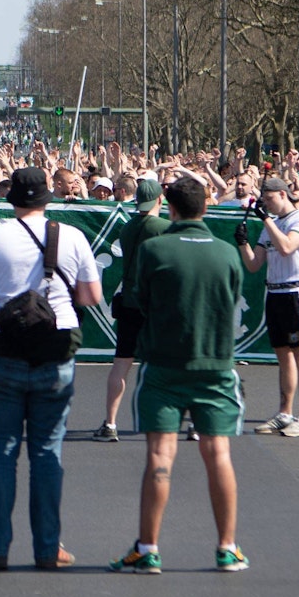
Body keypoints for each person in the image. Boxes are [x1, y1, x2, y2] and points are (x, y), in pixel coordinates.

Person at [0, 166, 101, 571]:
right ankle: (48, 547)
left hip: (1, 351)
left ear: (12, 199)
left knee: (0, 454)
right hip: (54, 353)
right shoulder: (70, 237)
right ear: (48, 198)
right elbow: (91, 296)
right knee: (46, 453)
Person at [109, 177, 249, 575]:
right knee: (218, 453)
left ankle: (147, 548)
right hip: (217, 366)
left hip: (165, 364)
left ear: (169, 207)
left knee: (159, 455)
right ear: (205, 207)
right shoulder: (226, 253)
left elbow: (141, 299)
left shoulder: (154, 249)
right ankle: (227, 547)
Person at [237, 177, 299, 437]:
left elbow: (286, 247)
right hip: (274, 291)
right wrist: (242, 243)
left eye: (270, 199)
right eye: (265, 200)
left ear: (283, 195)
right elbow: (253, 264)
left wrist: (266, 220)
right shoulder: (269, 225)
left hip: (296, 292)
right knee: (283, 355)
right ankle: (285, 412)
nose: (267, 205)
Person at [95, 176, 170, 442]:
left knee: (121, 364)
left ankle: (110, 423)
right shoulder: (165, 227)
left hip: (128, 301)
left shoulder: (127, 227)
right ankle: (178, 422)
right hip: (156, 304)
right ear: (159, 199)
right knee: (169, 365)